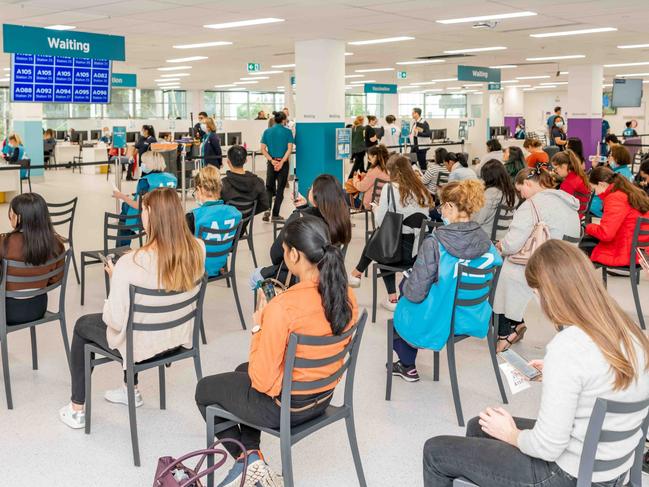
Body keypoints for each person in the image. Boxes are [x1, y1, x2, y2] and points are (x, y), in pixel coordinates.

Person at [422, 240, 649, 487]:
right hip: (613, 471)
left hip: (567, 475)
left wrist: (512, 435)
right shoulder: (629, 332)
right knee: (480, 427)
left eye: (536, 293)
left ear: (549, 293)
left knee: (435, 451)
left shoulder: (568, 347)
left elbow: (548, 447)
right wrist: (555, 374)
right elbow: (603, 378)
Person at [195, 215, 358, 486]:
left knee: (205, 391)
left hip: (286, 408)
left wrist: (259, 325)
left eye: (284, 251)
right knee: (240, 372)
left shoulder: (283, 307)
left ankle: (248, 461)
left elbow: (263, 382)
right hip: (321, 398)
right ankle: (252, 459)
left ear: (294, 254)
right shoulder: (345, 296)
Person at [60, 188, 206, 429]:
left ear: (152, 215)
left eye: (144, 210)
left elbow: (115, 320)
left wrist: (116, 277)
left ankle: (77, 409)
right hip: (176, 338)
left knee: (82, 326)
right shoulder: (198, 248)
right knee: (137, 318)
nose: (141, 216)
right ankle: (131, 390)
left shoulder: (131, 263)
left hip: (141, 345)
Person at [391, 180, 502, 381]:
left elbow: (416, 293)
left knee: (402, 302)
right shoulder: (485, 241)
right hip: (473, 315)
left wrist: (406, 283)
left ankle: (407, 365)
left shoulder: (435, 242)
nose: (440, 211)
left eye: (442, 206)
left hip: (444, 316)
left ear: (450, 206)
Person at [493, 166, 580, 353]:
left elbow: (513, 244)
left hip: (545, 266)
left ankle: (506, 332)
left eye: (520, 190)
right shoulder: (566, 201)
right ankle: (517, 324)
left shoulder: (531, 205)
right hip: (566, 263)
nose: (521, 195)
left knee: (505, 270)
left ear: (528, 183)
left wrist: (502, 245)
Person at [349, 155, 434, 311]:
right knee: (382, 241)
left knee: (382, 241)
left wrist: (375, 209)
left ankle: (361, 276)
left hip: (396, 252)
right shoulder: (422, 189)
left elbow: (380, 221)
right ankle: (358, 275)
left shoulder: (390, 188)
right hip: (418, 252)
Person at [255, 174, 352, 286]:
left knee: (256, 275)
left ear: (316, 198)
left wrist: (302, 212)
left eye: (311, 188)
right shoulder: (342, 220)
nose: (309, 189)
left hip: (298, 279)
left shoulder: (298, 218)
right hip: (328, 279)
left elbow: (276, 254)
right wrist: (304, 208)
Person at [0, 193, 65, 326]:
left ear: (18, 217)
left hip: (6, 311)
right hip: (37, 308)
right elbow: (54, 280)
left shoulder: (3, 243)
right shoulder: (56, 244)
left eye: (11, 213)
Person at [581, 166, 649, 267]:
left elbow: (606, 234)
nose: (595, 193)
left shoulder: (614, 198)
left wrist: (587, 226)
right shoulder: (629, 191)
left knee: (583, 242)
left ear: (601, 184)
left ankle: (582, 278)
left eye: (594, 189)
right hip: (640, 250)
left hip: (626, 253)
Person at [186, 166, 241, 277]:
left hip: (197, 269)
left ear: (200, 189)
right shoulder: (235, 213)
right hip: (220, 262)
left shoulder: (193, 216)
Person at [113, 152, 177, 242]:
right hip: (169, 216)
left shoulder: (145, 180)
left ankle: (122, 247)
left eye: (144, 162)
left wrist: (122, 196)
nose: (142, 165)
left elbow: (138, 206)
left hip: (150, 218)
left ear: (150, 164)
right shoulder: (172, 178)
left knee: (125, 207)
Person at [260, 111, 294, 223]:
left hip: (271, 163)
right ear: (284, 120)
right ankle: (275, 215)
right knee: (280, 190)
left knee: (269, 188)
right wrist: (281, 162)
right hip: (282, 164)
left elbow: (263, 149)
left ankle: (267, 210)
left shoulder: (267, 131)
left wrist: (272, 161)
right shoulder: (288, 132)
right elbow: (289, 149)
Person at [220, 145, 270, 215]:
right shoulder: (258, 182)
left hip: (227, 224)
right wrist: (249, 213)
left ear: (228, 161)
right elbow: (265, 205)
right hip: (245, 222)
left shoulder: (221, 184)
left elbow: (217, 207)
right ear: (246, 160)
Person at [473, 160, 517, 239]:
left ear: (489, 178)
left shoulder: (491, 193)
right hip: (505, 236)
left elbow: (477, 221)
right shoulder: (512, 192)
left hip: (487, 238)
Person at [590, 144, 635, 217]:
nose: (608, 157)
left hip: (604, 206)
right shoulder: (625, 171)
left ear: (617, 158)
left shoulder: (618, 174)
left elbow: (603, 191)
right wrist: (595, 167)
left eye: (610, 155)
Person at [347, 144, 390, 210]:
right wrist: (366, 176)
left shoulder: (374, 171)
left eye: (369, 158)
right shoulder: (388, 170)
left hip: (370, 203)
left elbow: (361, 187)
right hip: (382, 202)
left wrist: (355, 179)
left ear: (375, 157)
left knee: (341, 195)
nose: (369, 161)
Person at [551, 150, 590, 217]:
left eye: (556, 169)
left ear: (563, 166)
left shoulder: (569, 183)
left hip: (575, 214)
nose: (556, 172)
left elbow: (562, 204)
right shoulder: (576, 174)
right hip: (581, 209)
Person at [411, 107, 432, 171]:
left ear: (417, 114)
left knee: (422, 163)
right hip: (414, 146)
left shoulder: (423, 122)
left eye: (413, 113)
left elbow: (428, 134)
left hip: (421, 147)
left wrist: (418, 134)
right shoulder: (415, 122)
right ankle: (414, 176)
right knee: (412, 162)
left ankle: (424, 178)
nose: (412, 114)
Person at [349, 115, 366, 179]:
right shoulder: (363, 128)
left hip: (354, 149)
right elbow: (365, 138)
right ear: (362, 121)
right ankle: (349, 178)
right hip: (360, 149)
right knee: (356, 167)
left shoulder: (352, 128)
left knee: (361, 165)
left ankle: (363, 173)